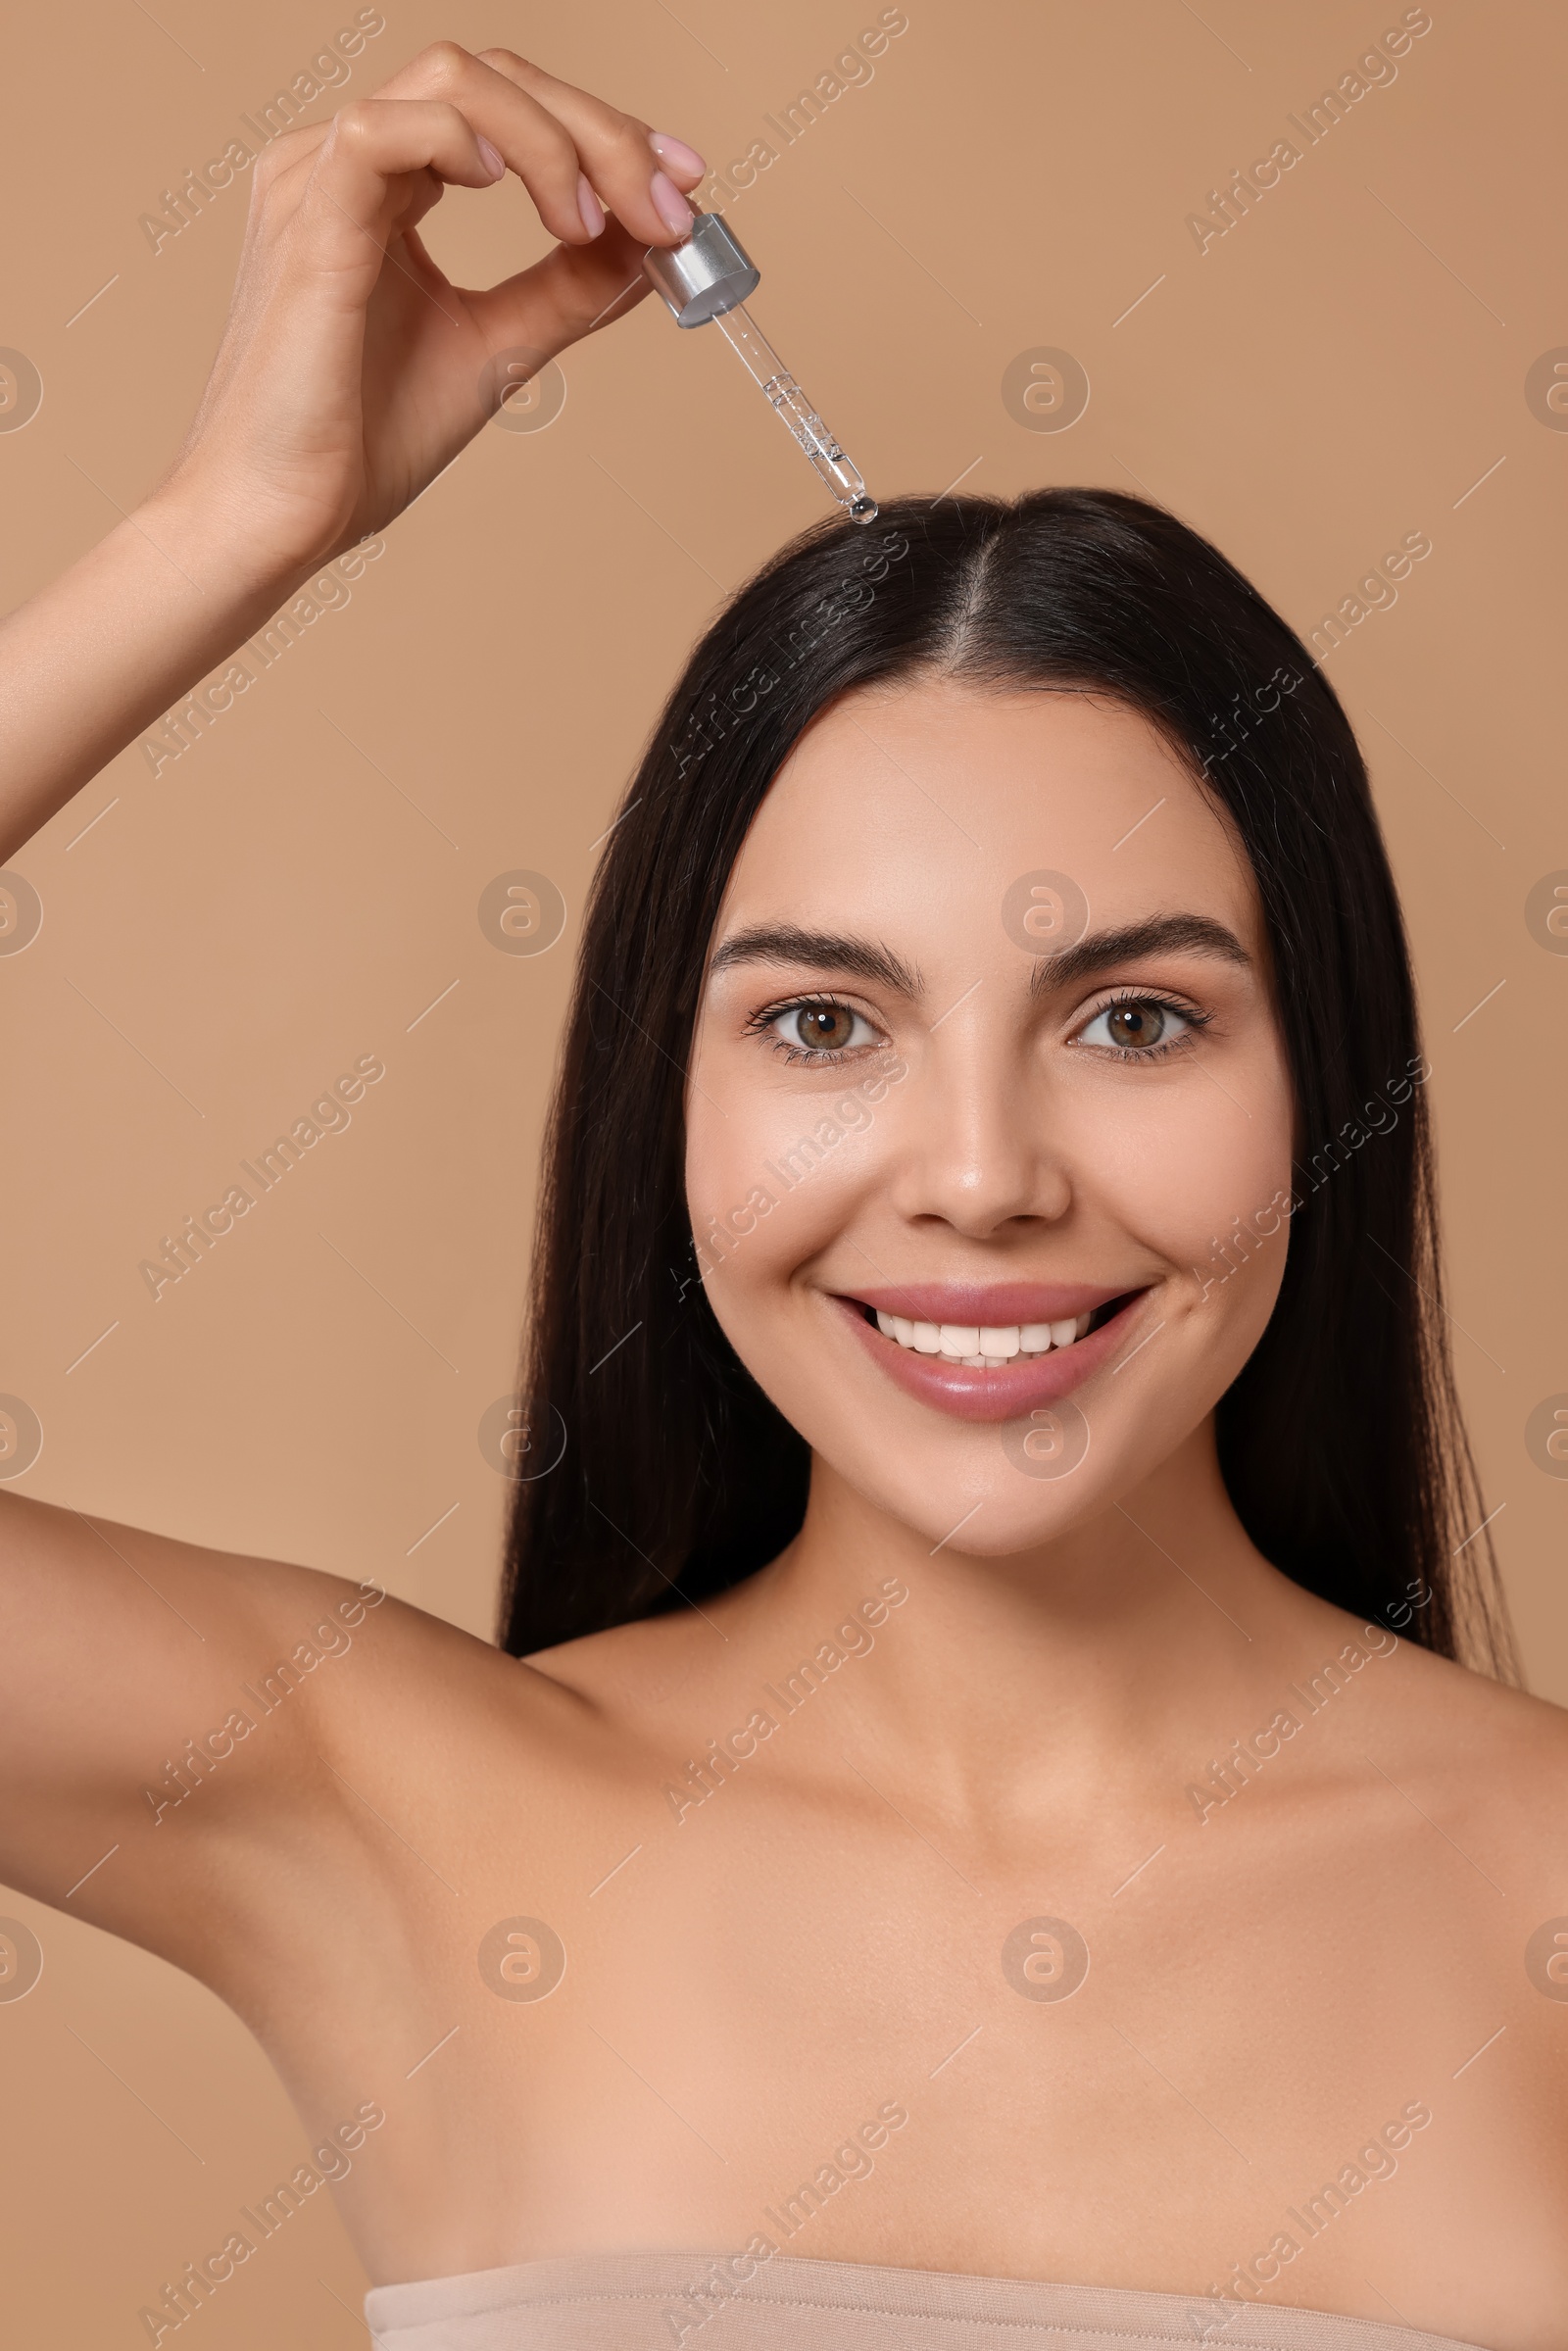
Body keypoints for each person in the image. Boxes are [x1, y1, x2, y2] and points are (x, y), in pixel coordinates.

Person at [1, 41, 1564, 2351]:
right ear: (666, 1089)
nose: (974, 1178)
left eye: (1131, 1018)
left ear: (1321, 1073)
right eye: (822, 1024)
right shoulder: (387, 1818)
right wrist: (220, 531)